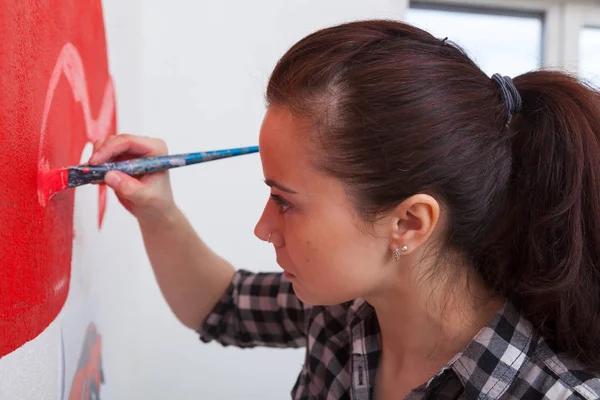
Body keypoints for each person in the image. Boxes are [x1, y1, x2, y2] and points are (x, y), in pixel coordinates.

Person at [89, 20, 600, 399]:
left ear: (408, 223)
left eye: (285, 202)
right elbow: (221, 306)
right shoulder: (345, 311)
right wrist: (158, 210)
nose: (263, 227)